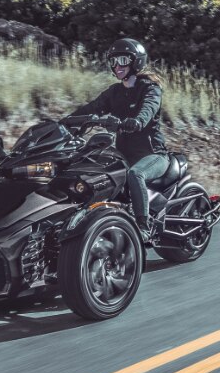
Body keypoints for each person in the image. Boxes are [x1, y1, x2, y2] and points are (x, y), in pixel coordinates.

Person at [68, 38, 168, 240]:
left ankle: (143, 226)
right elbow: (92, 108)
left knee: (135, 174)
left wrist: (137, 121)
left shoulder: (150, 89)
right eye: (113, 61)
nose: (117, 66)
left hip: (153, 155)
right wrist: (66, 122)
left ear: (136, 61)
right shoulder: (114, 92)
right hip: (124, 154)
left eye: (123, 60)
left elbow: (148, 108)